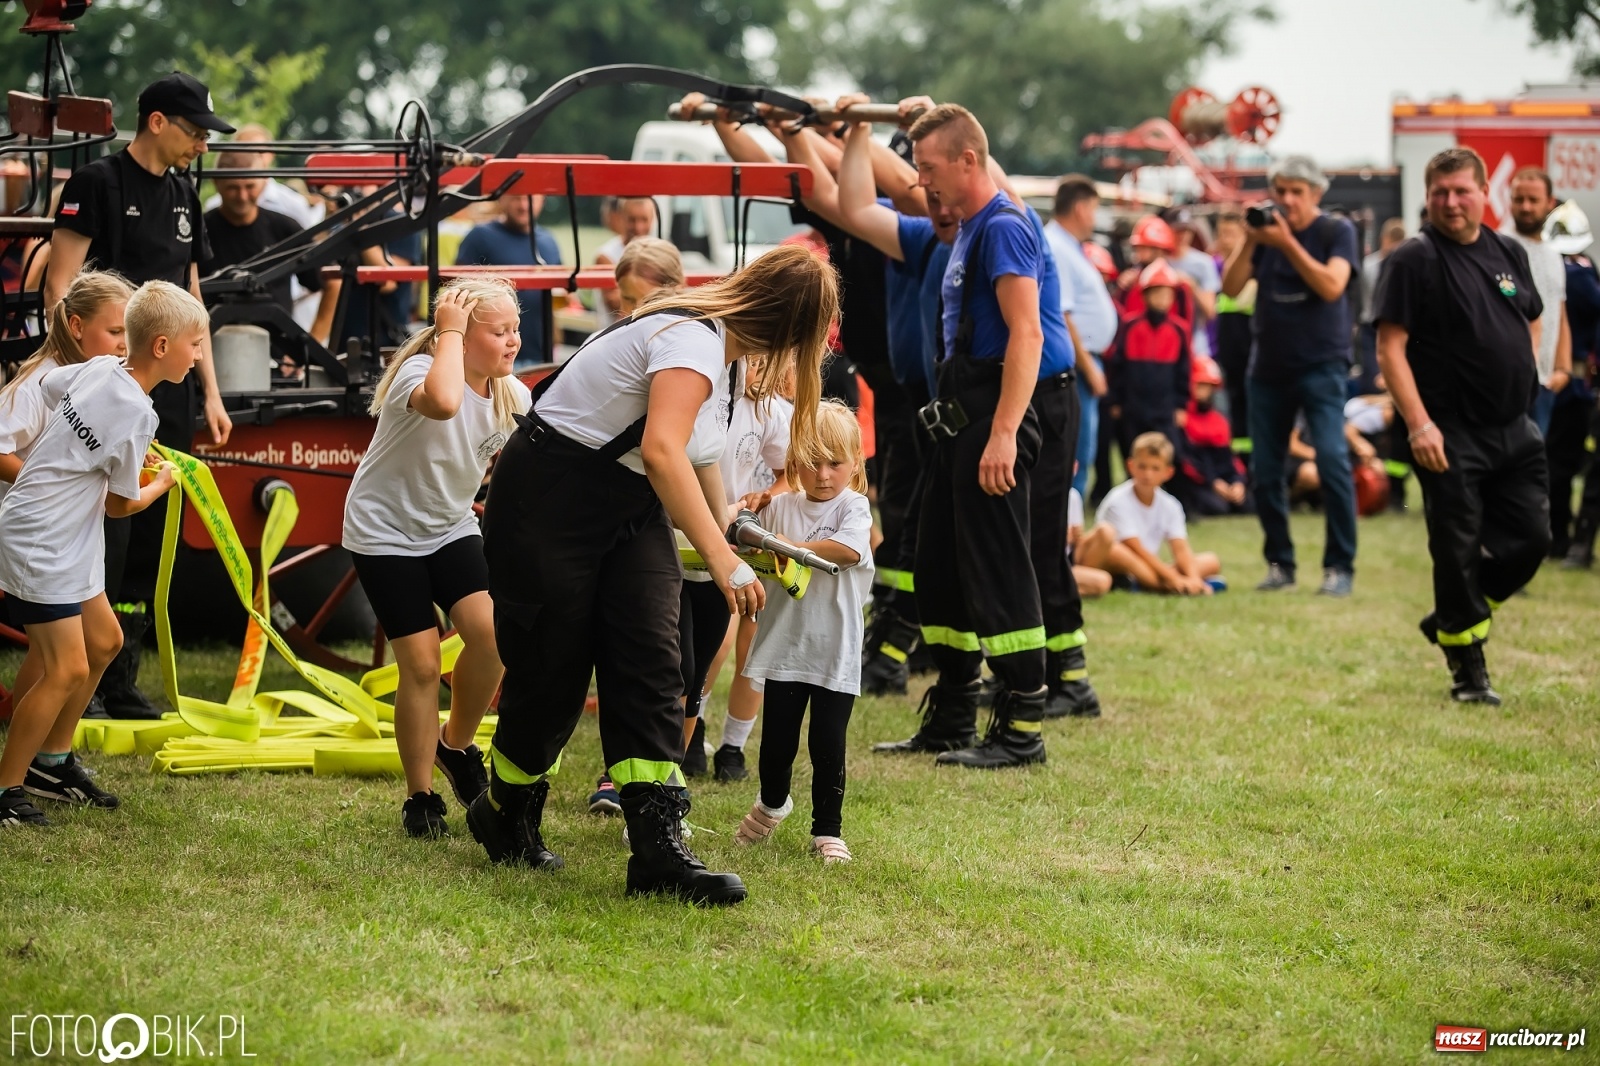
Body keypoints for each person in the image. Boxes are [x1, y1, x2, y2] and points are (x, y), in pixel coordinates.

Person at [470, 244, 837, 906]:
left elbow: (692, 459)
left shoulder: (722, 357)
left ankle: (658, 847)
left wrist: (729, 528)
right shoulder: (693, 340)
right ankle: (506, 810)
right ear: (789, 327)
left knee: (651, 657)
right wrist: (721, 560)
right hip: (552, 498)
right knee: (552, 669)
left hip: (629, 502)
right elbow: (662, 448)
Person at [876, 103, 1071, 767]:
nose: (921, 179)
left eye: (928, 166)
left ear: (968, 160)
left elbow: (1029, 333)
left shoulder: (1005, 227)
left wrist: (1005, 434)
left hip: (993, 419)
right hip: (956, 421)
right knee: (939, 568)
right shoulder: (962, 230)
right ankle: (953, 714)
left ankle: (1021, 730)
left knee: (998, 566)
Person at [45, 71, 236, 719]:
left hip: (169, 391)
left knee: (152, 539)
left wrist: (211, 390)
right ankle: (78, 678)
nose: (203, 146)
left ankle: (119, 679)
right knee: (104, 528)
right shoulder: (96, 183)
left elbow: (193, 301)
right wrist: (83, 378)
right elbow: (61, 287)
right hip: (105, 389)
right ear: (156, 121)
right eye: (195, 131)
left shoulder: (186, 192)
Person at [0, 280, 203, 826]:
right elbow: (120, 505)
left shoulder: (97, 368)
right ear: (161, 347)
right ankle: (6, 788)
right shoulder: (140, 413)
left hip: (62, 535)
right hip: (45, 540)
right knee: (65, 668)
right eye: (195, 342)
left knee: (107, 639)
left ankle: (52, 762)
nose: (199, 354)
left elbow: (49, 393)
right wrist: (162, 482)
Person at [342, 276, 530, 838]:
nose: (513, 341)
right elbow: (446, 404)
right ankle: (419, 796)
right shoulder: (420, 374)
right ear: (461, 338)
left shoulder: (511, 395)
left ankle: (458, 745)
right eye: (499, 332)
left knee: (492, 635)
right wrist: (446, 330)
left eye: (515, 329)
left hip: (449, 528)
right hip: (383, 533)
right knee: (422, 664)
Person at [1373, 147, 1548, 705]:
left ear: (1482, 194)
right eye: (1440, 192)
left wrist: (1530, 376)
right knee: (1458, 549)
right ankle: (1468, 674)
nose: (1451, 202)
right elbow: (1389, 346)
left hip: (1514, 428)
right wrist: (1420, 424)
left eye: (1461, 191)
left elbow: (1531, 313)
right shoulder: (1414, 260)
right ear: (1428, 197)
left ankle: (1454, 612)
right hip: (1449, 433)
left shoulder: (1506, 252)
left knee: (1533, 540)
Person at [732, 400, 873, 864]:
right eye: (811, 461)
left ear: (856, 462)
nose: (823, 473)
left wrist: (786, 547)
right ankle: (772, 804)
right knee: (777, 740)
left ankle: (827, 831)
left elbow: (846, 552)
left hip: (835, 650)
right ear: (793, 461)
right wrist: (751, 512)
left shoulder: (855, 507)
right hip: (785, 647)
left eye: (835, 462)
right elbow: (741, 534)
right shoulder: (781, 507)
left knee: (827, 742)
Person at [1222, 154, 1360, 597]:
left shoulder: (1336, 231)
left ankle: (1339, 566)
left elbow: (1331, 286)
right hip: (1268, 368)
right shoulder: (1266, 236)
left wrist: (1286, 244)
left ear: (1316, 194)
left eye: (1296, 192)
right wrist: (1249, 240)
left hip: (1322, 365)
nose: (1286, 200)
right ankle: (1280, 562)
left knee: (1333, 461)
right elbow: (1230, 287)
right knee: (1265, 470)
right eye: (1280, 191)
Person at [0, 272, 134, 727]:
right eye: (116, 332)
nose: (123, 344)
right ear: (76, 326)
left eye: (128, 333)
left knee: (89, 644)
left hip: (65, 537)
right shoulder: (40, 382)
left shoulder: (96, 379)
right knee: (58, 656)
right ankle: (29, 754)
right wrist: (46, 488)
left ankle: (45, 752)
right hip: (35, 539)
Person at [707, 355, 794, 782]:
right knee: (713, 645)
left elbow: (791, 474)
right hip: (707, 536)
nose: (758, 369)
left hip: (754, 540)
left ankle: (733, 748)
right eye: (752, 359)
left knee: (753, 651)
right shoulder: (713, 396)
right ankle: (692, 728)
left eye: (768, 361)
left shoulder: (777, 412)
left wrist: (768, 498)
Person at [199, 149, 331, 336]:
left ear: (264, 183)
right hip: (211, 349)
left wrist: (310, 347)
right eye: (232, 188)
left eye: (250, 186)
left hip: (277, 352)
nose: (242, 196)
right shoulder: (198, 230)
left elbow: (332, 281)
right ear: (216, 183)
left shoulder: (285, 228)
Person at [1076, 432, 1221, 595]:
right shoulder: (1118, 500)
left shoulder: (1170, 504)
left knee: (1211, 561)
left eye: (1155, 468)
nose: (1148, 474)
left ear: (1168, 472)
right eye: (1142, 467)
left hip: (1148, 565)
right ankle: (1164, 586)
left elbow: (1180, 548)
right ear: (1130, 466)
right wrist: (1173, 579)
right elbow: (1135, 549)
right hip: (1121, 560)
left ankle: (1153, 582)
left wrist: (1193, 578)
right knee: (1118, 551)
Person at [1044, 175, 1116, 498]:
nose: (1095, 218)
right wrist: (1089, 367)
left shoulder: (1068, 246)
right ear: (1080, 208)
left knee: (1080, 450)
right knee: (1076, 452)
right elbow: (1062, 314)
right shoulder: (1057, 247)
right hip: (1075, 363)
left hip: (1081, 360)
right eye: (1094, 209)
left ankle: (1068, 526)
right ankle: (1067, 531)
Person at [454, 192, 564, 368]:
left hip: (541, 351)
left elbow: (559, 293)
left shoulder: (549, 241)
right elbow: (459, 291)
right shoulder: (480, 236)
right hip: (490, 355)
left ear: (542, 201)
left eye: (531, 199)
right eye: (516, 197)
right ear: (501, 199)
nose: (523, 205)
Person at [1505, 168, 1573, 437]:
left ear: (1550, 203)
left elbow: (1560, 312)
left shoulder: (1554, 255)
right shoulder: (1499, 247)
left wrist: (1563, 370)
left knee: (1532, 469)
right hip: (1508, 385)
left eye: (1533, 200)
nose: (1525, 207)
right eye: (1519, 199)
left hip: (1544, 385)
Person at [1107, 260, 1191, 454]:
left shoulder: (1179, 330)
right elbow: (1118, 365)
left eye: (1167, 294)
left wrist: (1181, 406)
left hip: (1164, 407)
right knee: (1131, 449)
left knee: (1167, 452)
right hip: (1133, 405)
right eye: (1157, 293)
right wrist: (1116, 400)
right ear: (1145, 295)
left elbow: (1183, 370)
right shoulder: (1130, 325)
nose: (1162, 299)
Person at [1173, 357, 1249, 517]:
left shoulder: (1220, 421)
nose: (1203, 391)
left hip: (1223, 479)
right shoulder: (1182, 419)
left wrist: (1238, 482)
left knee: (1247, 504)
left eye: (1208, 386)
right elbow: (1187, 461)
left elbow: (1230, 458)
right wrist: (1214, 482)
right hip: (1200, 481)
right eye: (1200, 385)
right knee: (1218, 507)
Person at [1211, 212, 1255, 441]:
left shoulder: (1253, 267)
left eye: (1231, 234)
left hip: (1246, 343)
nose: (1225, 240)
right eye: (1221, 234)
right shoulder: (1213, 265)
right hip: (1223, 348)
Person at [1356, 218, 1407, 397]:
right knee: (1372, 375)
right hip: (1370, 323)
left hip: (1393, 322)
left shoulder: (1403, 266)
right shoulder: (1369, 265)